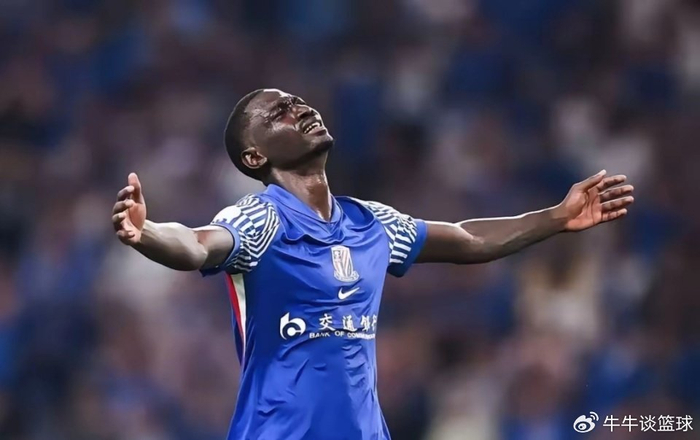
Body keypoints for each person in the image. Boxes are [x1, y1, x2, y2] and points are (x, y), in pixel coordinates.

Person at [110, 88, 634, 440]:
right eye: (279, 114)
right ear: (255, 157)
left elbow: (467, 239)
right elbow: (197, 244)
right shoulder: (261, 219)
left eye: (298, 102)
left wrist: (556, 217)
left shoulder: (371, 223)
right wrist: (146, 233)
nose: (300, 110)